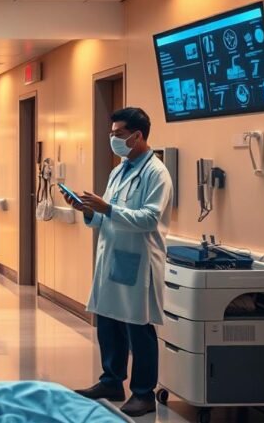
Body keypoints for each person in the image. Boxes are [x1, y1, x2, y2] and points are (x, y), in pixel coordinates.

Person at [61, 107, 172, 417]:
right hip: (112, 256)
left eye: (118, 135)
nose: (113, 139)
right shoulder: (119, 170)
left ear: (137, 136)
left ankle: (143, 393)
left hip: (139, 262)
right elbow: (103, 219)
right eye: (111, 134)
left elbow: (150, 218)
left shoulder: (157, 173)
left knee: (139, 328)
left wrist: (107, 208)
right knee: (108, 321)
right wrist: (86, 210)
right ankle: (111, 380)